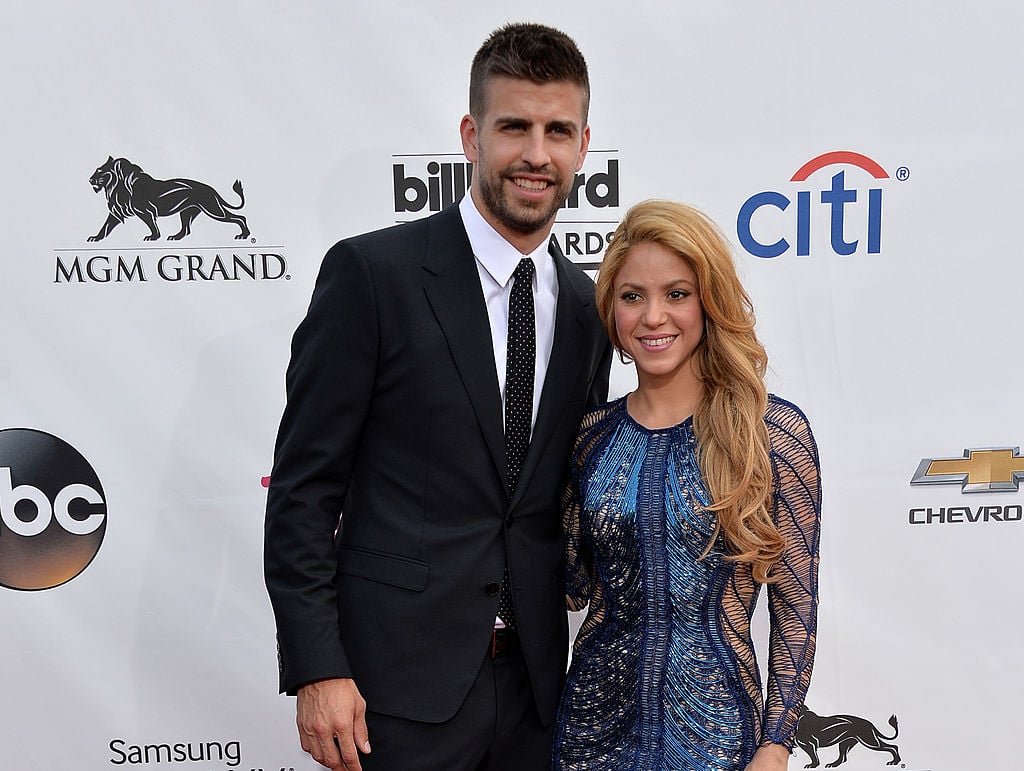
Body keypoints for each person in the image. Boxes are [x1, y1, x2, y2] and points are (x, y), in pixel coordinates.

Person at [264, 22, 612, 771]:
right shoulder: (373, 276)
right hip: (395, 692)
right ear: (471, 134)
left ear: (584, 146)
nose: (536, 153)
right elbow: (303, 489)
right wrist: (318, 666)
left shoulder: (591, 309)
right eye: (513, 126)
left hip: (537, 694)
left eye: (558, 131)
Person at [552, 200, 821, 771]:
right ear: (611, 311)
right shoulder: (588, 437)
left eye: (677, 293)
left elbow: (796, 604)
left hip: (719, 736)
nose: (653, 317)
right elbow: (572, 587)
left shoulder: (770, 432)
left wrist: (776, 744)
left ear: (709, 303)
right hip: (591, 730)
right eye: (632, 296)